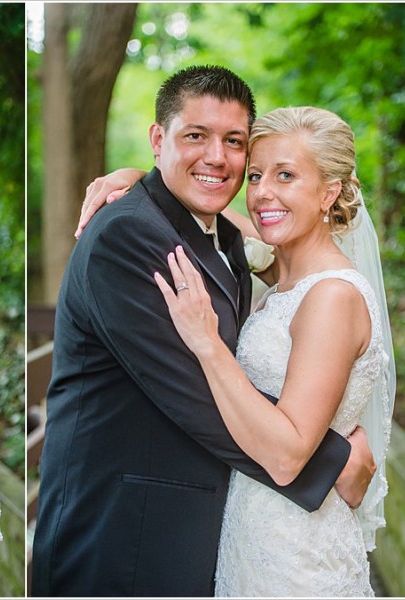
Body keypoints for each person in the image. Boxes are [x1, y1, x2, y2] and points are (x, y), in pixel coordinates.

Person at [30, 65, 376, 597]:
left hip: (233, 534)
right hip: (123, 540)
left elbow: (259, 239)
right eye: (195, 136)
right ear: (157, 138)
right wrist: (332, 461)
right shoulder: (130, 237)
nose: (218, 158)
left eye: (234, 143)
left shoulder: (223, 239)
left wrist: (141, 177)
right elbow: (196, 394)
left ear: (330, 193)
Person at [153, 106, 394, 596]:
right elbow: (216, 212)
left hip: (298, 555)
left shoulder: (332, 296)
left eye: (286, 175)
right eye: (257, 174)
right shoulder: (287, 279)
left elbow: (287, 456)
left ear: (329, 192)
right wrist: (138, 177)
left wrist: (206, 343)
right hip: (253, 533)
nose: (263, 192)